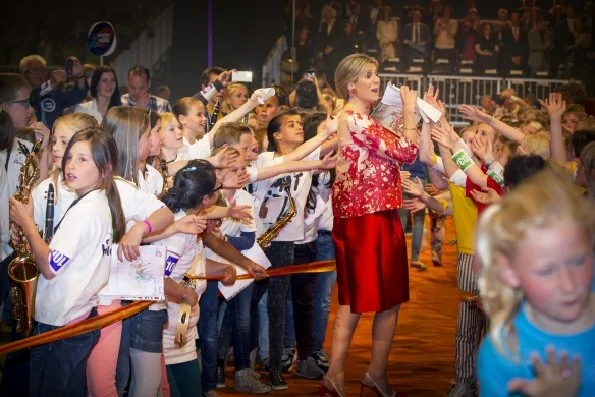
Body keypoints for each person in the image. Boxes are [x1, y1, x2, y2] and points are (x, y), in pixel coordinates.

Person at [320, 53, 420, 396]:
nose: (376, 80)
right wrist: (409, 113)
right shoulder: (356, 118)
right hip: (369, 217)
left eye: (376, 74)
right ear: (351, 85)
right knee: (374, 299)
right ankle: (364, 374)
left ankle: (346, 374)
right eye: (368, 75)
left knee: (360, 300)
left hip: (368, 214)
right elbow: (407, 152)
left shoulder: (361, 118)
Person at [9, 127, 126, 396]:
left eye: (82, 159)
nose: (70, 165)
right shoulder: (96, 202)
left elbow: (50, 267)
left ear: (105, 168)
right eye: (70, 157)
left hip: (61, 329)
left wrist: (27, 224)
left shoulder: (86, 211)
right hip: (76, 319)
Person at [476, 169, 595, 396]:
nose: (569, 284)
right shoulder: (503, 355)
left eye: (579, 261)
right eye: (547, 270)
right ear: (510, 272)